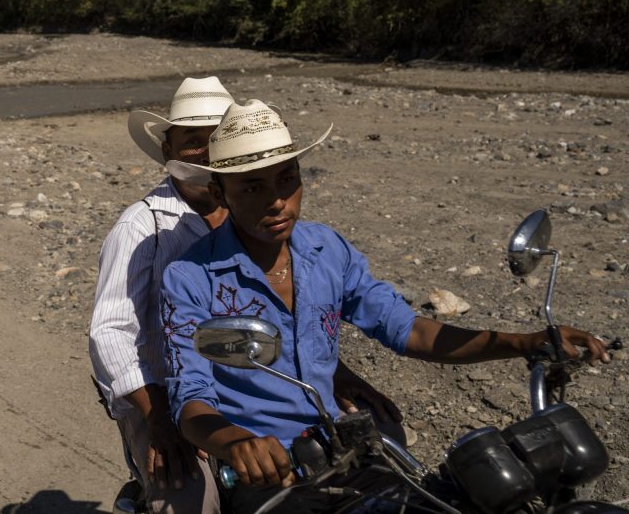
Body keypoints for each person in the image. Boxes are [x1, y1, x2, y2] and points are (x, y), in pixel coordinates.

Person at [161, 99, 611, 512]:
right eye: (253, 188)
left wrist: (522, 341)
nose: (278, 200)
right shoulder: (191, 278)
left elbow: (409, 330)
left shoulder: (326, 250)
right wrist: (239, 443)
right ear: (220, 194)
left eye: (287, 179)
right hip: (266, 472)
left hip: (344, 449)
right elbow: (191, 401)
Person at [89, 81, 400, 514]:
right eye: (192, 141)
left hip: (249, 381)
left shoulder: (252, 210)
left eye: (216, 137)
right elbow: (111, 334)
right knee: (187, 499)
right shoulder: (143, 228)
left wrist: (334, 371)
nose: (207, 149)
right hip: (163, 393)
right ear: (167, 148)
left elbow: (286, 310)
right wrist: (160, 417)